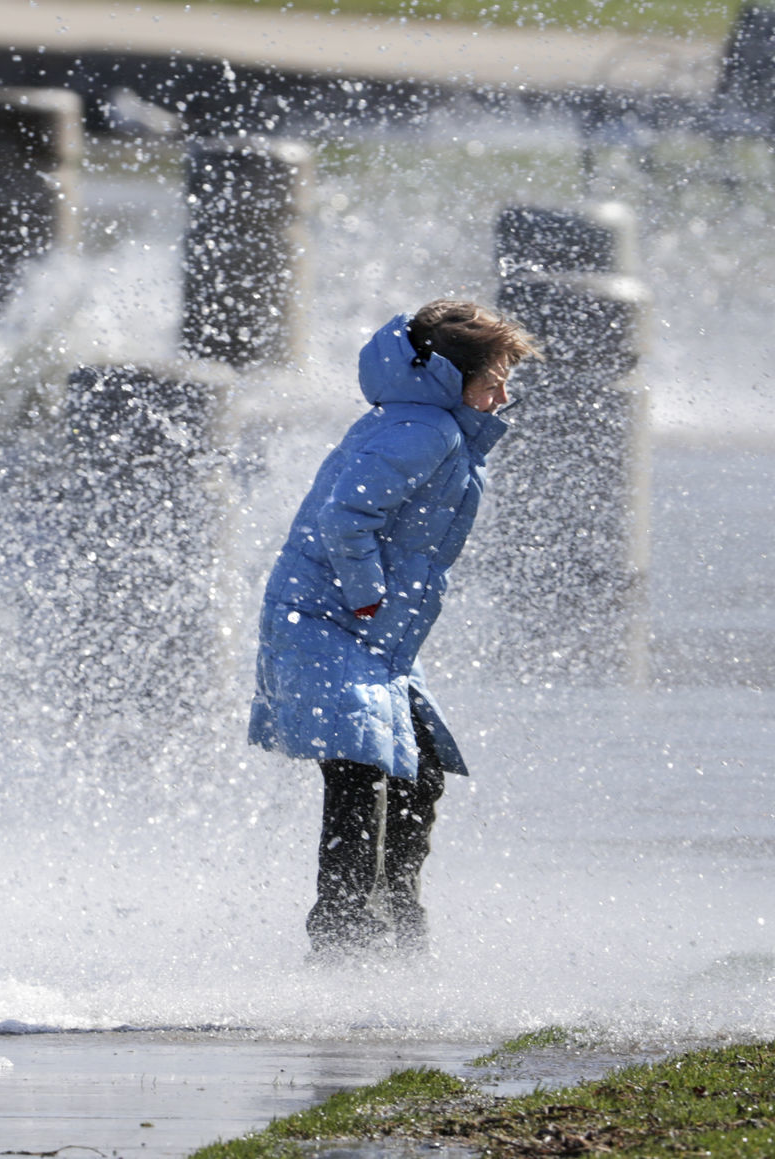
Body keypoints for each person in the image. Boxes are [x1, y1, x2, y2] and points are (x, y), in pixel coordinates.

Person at [247, 299, 537, 957]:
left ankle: (396, 923)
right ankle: (346, 937)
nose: (502, 392)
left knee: (420, 772)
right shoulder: (423, 431)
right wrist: (368, 595)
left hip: (371, 640)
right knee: (361, 774)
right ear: (442, 376)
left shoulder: (431, 426)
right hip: (331, 622)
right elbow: (346, 518)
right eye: (492, 378)